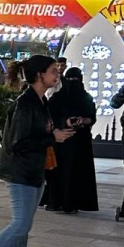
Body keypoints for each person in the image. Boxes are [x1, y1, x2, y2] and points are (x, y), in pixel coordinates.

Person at [0, 55, 74, 247]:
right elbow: (18, 142)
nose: (57, 75)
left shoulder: (39, 101)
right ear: (40, 75)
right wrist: (52, 137)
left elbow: (36, 132)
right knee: (20, 224)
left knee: (23, 225)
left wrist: (58, 129)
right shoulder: (26, 104)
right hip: (21, 171)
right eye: (53, 71)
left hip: (33, 170)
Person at [43, 67, 98, 214]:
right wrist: (64, 122)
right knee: (58, 172)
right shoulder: (57, 98)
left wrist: (84, 120)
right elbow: (50, 118)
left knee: (76, 174)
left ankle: (71, 203)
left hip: (79, 142)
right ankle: (55, 202)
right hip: (61, 141)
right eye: (70, 80)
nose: (72, 83)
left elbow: (91, 117)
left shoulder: (86, 98)